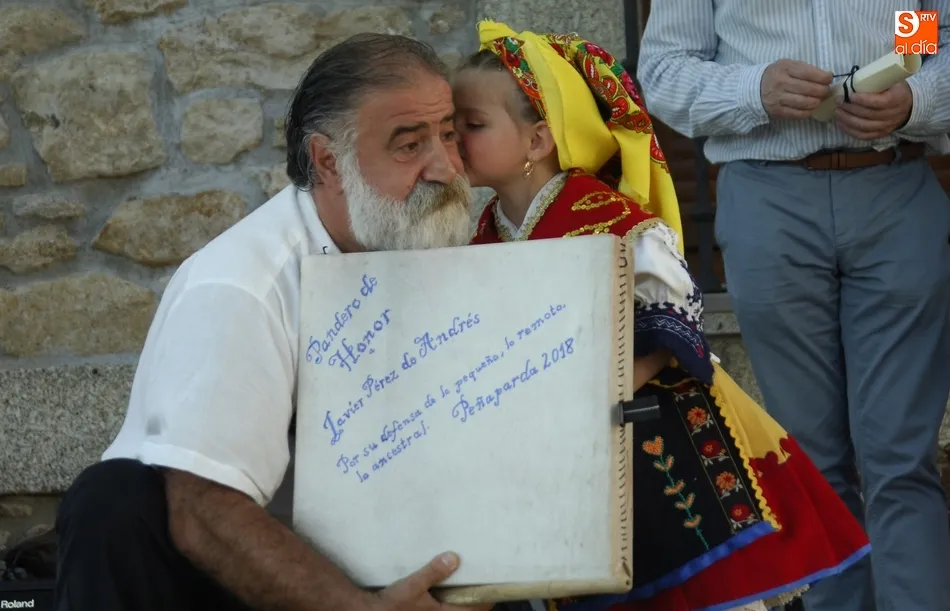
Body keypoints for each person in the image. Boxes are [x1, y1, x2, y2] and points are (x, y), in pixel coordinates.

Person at [52, 33, 491, 611]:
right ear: (329, 161)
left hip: (384, 559)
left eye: (450, 137)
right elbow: (204, 514)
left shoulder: (417, 246)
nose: (445, 167)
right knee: (112, 499)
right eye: (410, 146)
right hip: (242, 584)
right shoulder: (240, 287)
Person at [455, 20, 871, 611]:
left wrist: (910, 91)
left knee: (887, 456)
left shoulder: (609, 220)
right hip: (560, 439)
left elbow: (671, 322)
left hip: (653, 420)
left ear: (539, 138)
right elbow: (669, 67)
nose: (454, 141)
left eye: (469, 126)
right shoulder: (480, 235)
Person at [636, 3, 950, 610]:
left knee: (900, 457)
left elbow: (931, 43)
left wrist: (917, 98)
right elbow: (666, 72)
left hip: (896, 187)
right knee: (807, 454)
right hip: (767, 196)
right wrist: (754, 88)